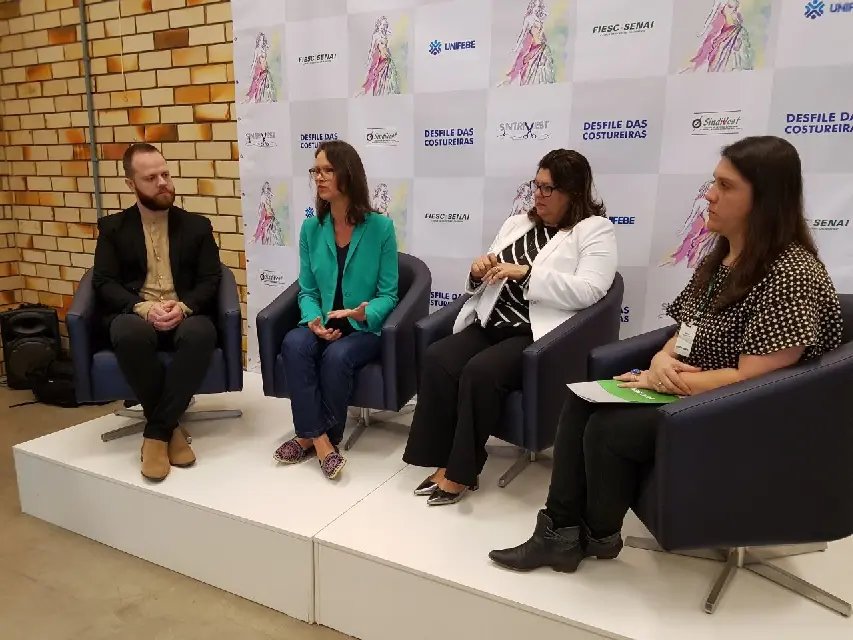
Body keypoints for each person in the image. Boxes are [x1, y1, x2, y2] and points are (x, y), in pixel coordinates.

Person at [489, 136, 844, 573]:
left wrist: (665, 382)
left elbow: (758, 380)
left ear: (765, 198)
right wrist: (658, 361)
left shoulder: (792, 272)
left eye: (725, 186)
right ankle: (558, 533)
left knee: (609, 430)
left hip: (747, 414)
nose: (709, 195)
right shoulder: (724, 257)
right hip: (693, 390)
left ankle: (598, 534)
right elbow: (684, 331)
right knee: (581, 401)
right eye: (713, 182)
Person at [403, 150, 617, 506]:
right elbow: (489, 274)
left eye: (548, 189)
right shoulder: (517, 224)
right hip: (492, 321)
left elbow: (590, 291)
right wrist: (478, 272)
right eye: (537, 185)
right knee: (438, 357)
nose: (538, 195)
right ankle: (441, 459)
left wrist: (528, 274)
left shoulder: (594, 230)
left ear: (573, 192)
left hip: (536, 334)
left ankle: (460, 472)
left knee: (479, 372)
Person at [93, 143, 221, 482]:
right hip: (137, 314)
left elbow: (211, 279)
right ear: (131, 184)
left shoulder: (196, 226)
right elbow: (104, 282)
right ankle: (169, 429)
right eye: (151, 178)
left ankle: (156, 434)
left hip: (184, 312)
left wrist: (183, 307)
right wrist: (144, 308)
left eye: (165, 174)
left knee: (201, 333)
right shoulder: (113, 229)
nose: (163, 182)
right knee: (128, 333)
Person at [273, 140, 399, 479]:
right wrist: (313, 320)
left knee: (337, 356)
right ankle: (322, 441)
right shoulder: (311, 228)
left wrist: (363, 312)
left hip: (362, 327)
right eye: (316, 170)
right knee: (294, 343)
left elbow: (389, 295)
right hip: (324, 321)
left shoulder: (380, 227)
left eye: (328, 170)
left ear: (348, 174)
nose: (319, 177)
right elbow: (307, 290)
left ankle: (310, 437)